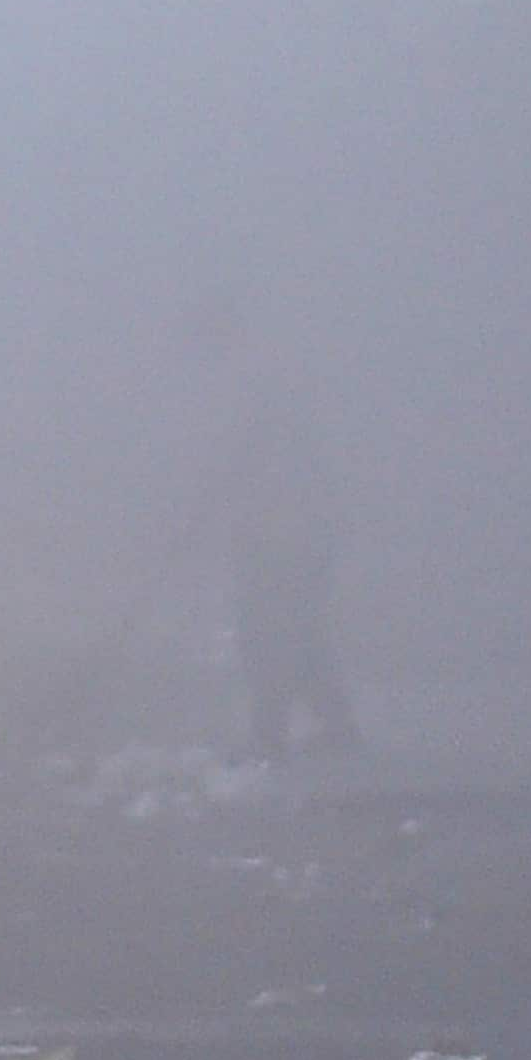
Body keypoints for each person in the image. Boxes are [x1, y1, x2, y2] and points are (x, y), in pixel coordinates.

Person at [183, 292, 359, 759]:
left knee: (269, 627)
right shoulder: (259, 373)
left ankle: (276, 728)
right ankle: (320, 724)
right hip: (283, 524)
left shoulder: (257, 376)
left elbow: (261, 445)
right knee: (291, 626)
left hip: (285, 527)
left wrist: (226, 483)